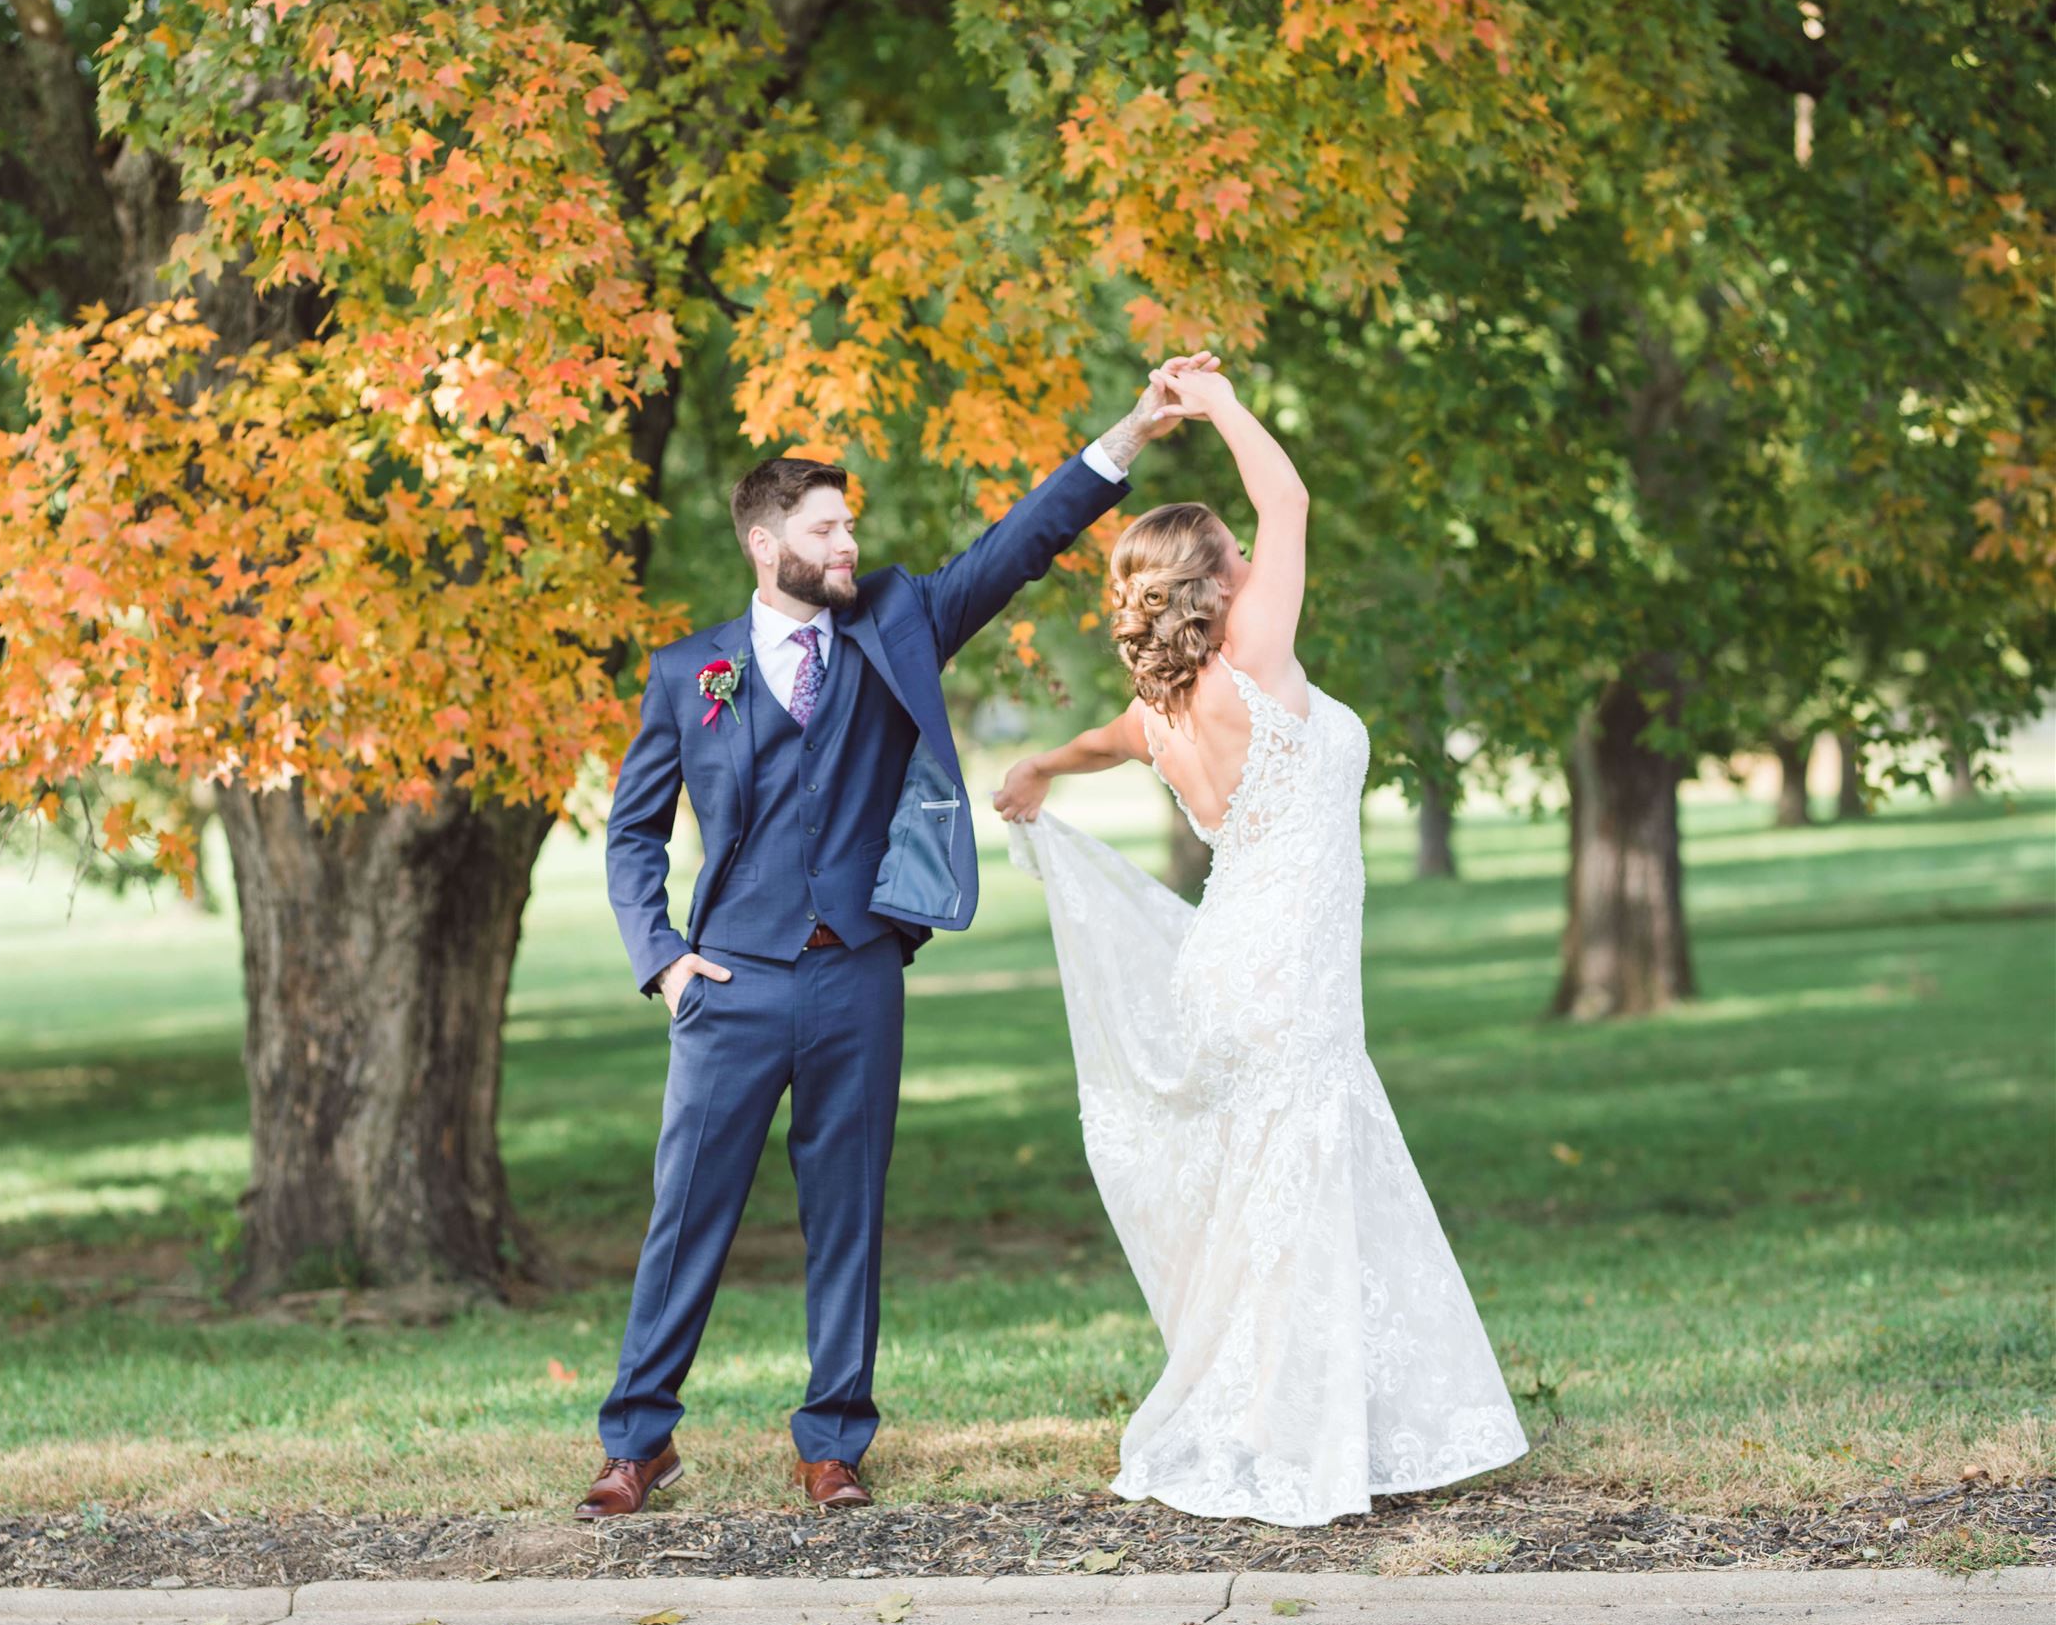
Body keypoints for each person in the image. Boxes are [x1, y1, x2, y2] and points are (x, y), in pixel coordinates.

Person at [580, 357, 1219, 1517]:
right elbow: (630, 835)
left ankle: (832, 1441)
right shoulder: (690, 673)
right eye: (823, 528)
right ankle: (637, 1439)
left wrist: (1127, 433)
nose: (843, 544)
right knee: (685, 1213)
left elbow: (1016, 543)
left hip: (856, 975)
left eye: (847, 526)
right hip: (725, 983)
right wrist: (664, 958)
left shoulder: (895, 622)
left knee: (848, 1211)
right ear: (763, 541)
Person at [993, 357, 1530, 1527]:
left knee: (1272, 1199)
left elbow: (1099, 738)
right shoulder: (1251, 661)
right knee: (1291, 1196)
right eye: (1232, 546)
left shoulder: (1167, 704)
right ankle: (1291, 1437)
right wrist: (1224, 401)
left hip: (1228, 965)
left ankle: (1307, 1416)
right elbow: (1288, 502)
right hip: (1278, 972)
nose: (1253, 548)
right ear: (1216, 579)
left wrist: (1040, 763)